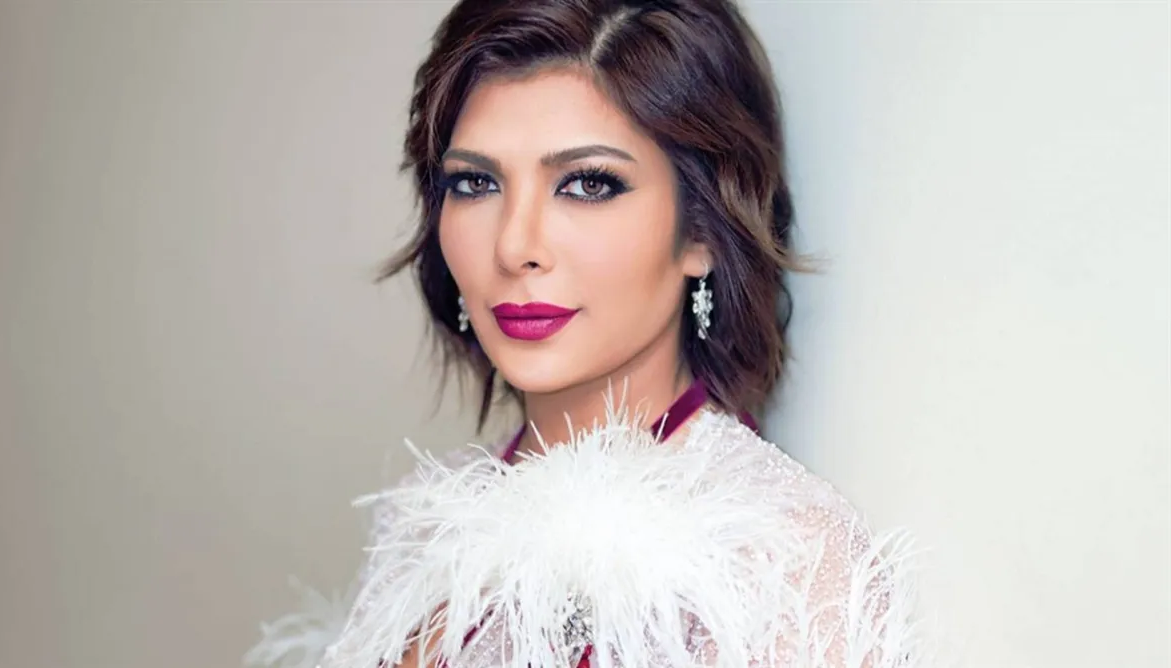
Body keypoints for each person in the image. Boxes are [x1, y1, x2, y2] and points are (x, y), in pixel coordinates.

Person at [248, 1, 925, 666]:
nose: (515, 246)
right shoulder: (419, 523)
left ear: (702, 230)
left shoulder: (776, 557)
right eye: (476, 182)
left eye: (588, 185)